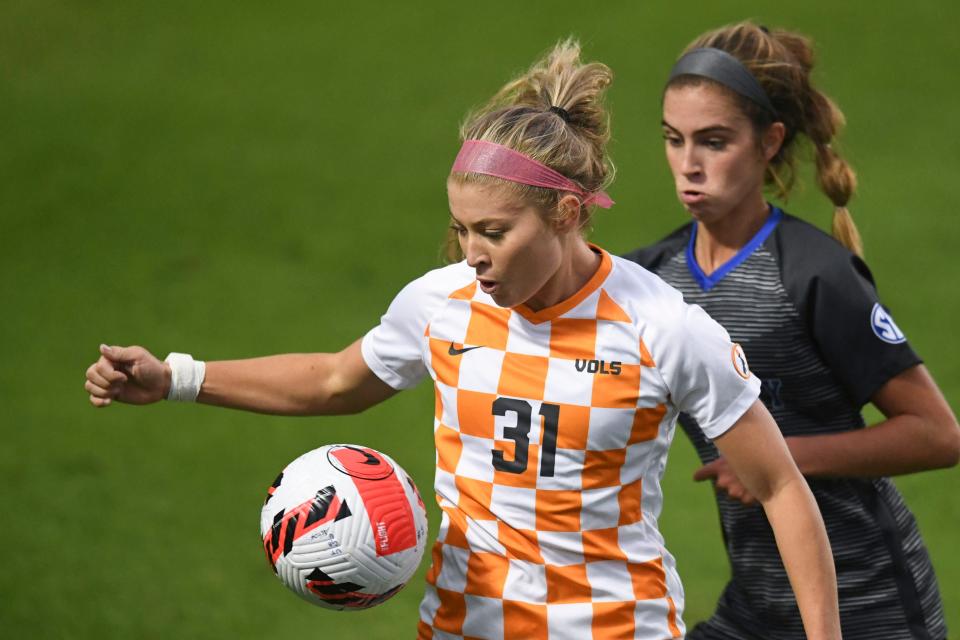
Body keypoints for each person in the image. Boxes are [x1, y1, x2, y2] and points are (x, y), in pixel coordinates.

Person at [86, 41, 841, 639]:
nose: (471, 254)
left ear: (568, 214)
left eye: (493, 232)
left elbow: (780, 487)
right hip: (464, 626)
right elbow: (333, 382)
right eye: (460, 229)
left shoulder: (662, 329)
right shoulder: (441, 305)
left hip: (615, 629)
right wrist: (178, 378)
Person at [625, 21, 960, 640]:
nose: (688, 165)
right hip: (757, 605)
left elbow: (939, 435)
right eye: (675, 139)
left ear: (769, 141)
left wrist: (783, 460)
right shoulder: (651, 279)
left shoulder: (813, 274)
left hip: (871, 608)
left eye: (715, 141)